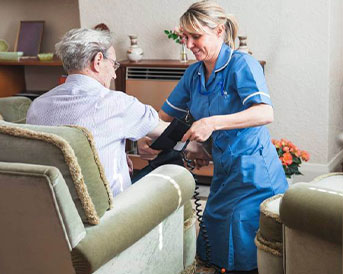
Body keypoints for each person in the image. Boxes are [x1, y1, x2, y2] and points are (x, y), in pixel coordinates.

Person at [158, 1, 288, 272]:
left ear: (219, 31)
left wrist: (211, 123)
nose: (189, 43)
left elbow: (265, 113)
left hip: (253, 171)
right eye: (185, 36)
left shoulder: (242, 64)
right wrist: (147, 136)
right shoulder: (193, 73)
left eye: (196, 36)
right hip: (224, 168)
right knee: (213, 234)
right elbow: (164, 116)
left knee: (243, 239)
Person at [26, 28, 163, 197]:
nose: (114, 75)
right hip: (112, 213)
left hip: (56, 207)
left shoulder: (37, 106)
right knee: (172, 167)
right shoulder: (117, 103)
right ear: (98, 60)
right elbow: (166, 132)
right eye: (113, 64)